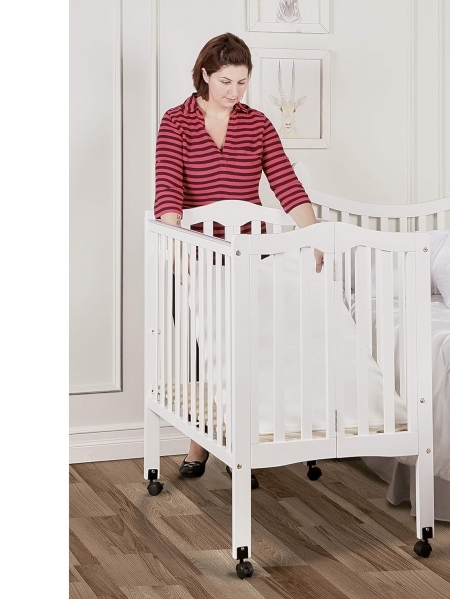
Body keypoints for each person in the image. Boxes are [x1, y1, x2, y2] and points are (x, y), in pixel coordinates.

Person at [154, 32, 323, 488]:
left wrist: (314, 234)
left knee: (249, 350)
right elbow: (168, 187)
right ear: (205, 75)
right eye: (225, 81)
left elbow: (285, 183)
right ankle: (199, 444)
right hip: (197, 256)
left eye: (242, 82)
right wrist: (175, 241)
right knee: (202, 351)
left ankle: (240, 442)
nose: (234, 91)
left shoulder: (258, 124)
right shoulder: (177, 122)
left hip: (250, 254)